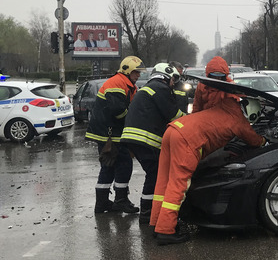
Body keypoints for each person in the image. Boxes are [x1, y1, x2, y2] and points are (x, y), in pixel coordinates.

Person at [148, 94, 266, 245]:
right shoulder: (239, 121)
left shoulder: (226, 106)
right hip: (188, 140)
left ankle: (157, 222)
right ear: (252, 112)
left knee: (164, 180)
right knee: (179, 184)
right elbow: (254, 140)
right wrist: (264, 140)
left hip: (174, 130)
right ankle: (165, 230)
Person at [120, 63, 186, 223]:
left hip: (133, 138)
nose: (173, 83)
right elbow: (174, 115)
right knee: (154, 174)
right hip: (144, 139)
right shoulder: (161, 89)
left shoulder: (149, 87)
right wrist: (191, 120)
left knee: (153, 173)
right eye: (173, 79)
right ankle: (147, 213)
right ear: (166, 76)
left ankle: (148, 211)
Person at [85, 55, 145, 214]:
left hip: (108, 132)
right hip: (110, 133)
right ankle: (120, 200)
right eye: (136, 72)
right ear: (127, 70)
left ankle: (103, 203)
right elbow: (118, 111)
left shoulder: (127, 84)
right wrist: (132, 121)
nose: (138, 75)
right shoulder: (118, 83)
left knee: (108, 166)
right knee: (124, 164)